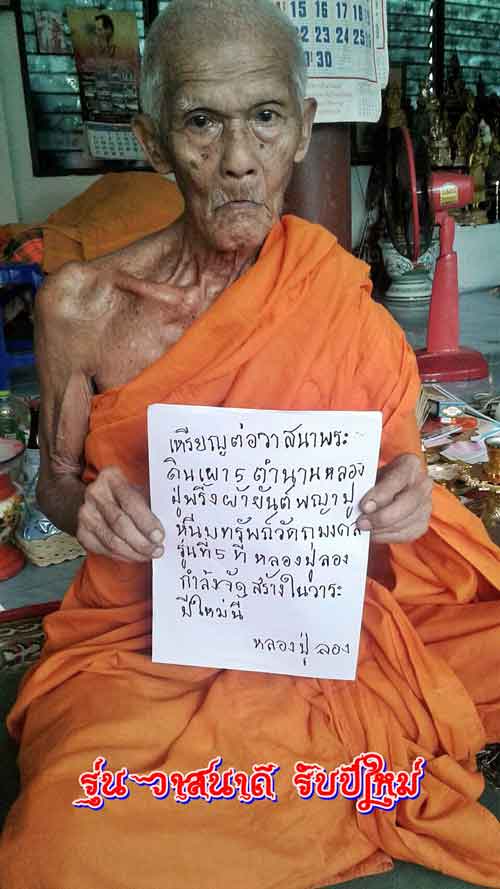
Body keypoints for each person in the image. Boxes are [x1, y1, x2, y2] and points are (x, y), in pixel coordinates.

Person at [1, 1, 500, 887]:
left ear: (302, 129)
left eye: (265, 117)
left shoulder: (338, 302)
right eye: (202, 121)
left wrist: (407, 496)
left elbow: (399, 479)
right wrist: (88, 506)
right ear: (154, 142)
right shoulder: (81, 307)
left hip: (315, 616)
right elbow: (56, 484)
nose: (238, 158)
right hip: (143, 633)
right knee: (62, 839)